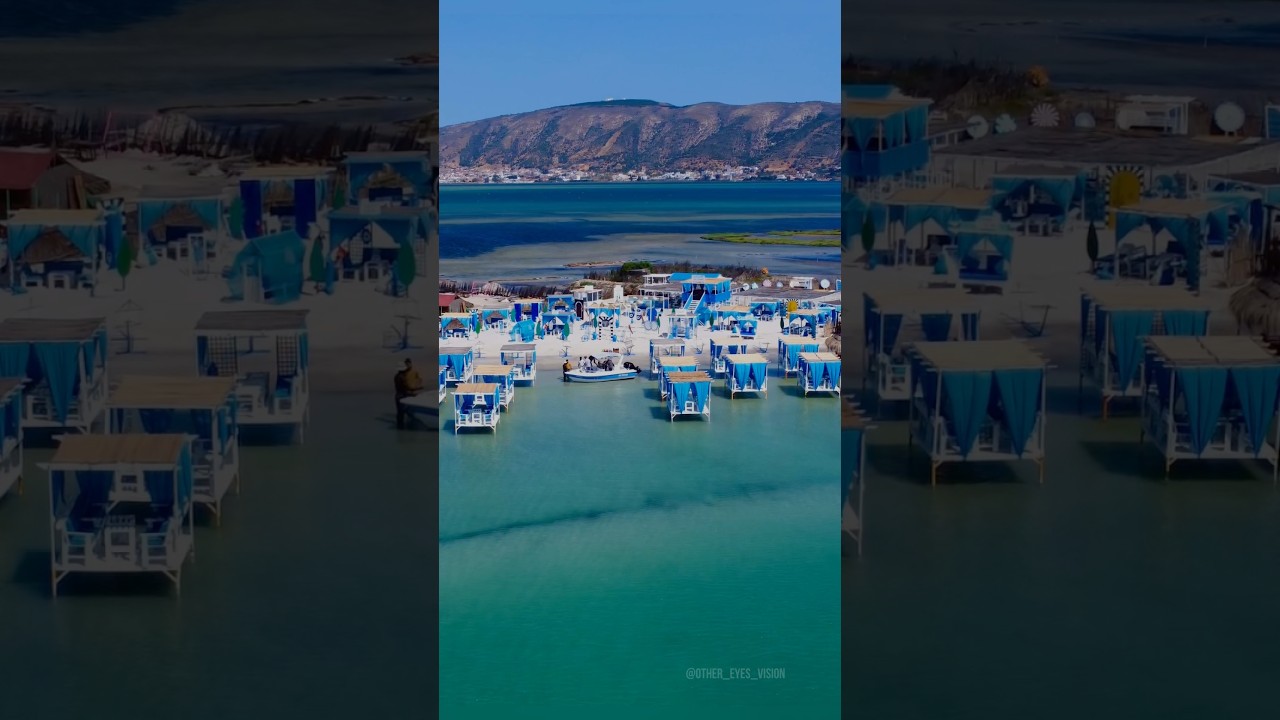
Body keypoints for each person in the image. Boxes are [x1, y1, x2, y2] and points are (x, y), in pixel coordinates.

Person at [394, 358, 424, 429]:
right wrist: (418, 388)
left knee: (400, 413)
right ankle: (402, 427)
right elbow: (406, 387)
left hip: (398, 395)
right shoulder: (402, 377)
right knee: (404, 412)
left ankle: (400, 428)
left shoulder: (396, 376)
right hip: (403, 396)